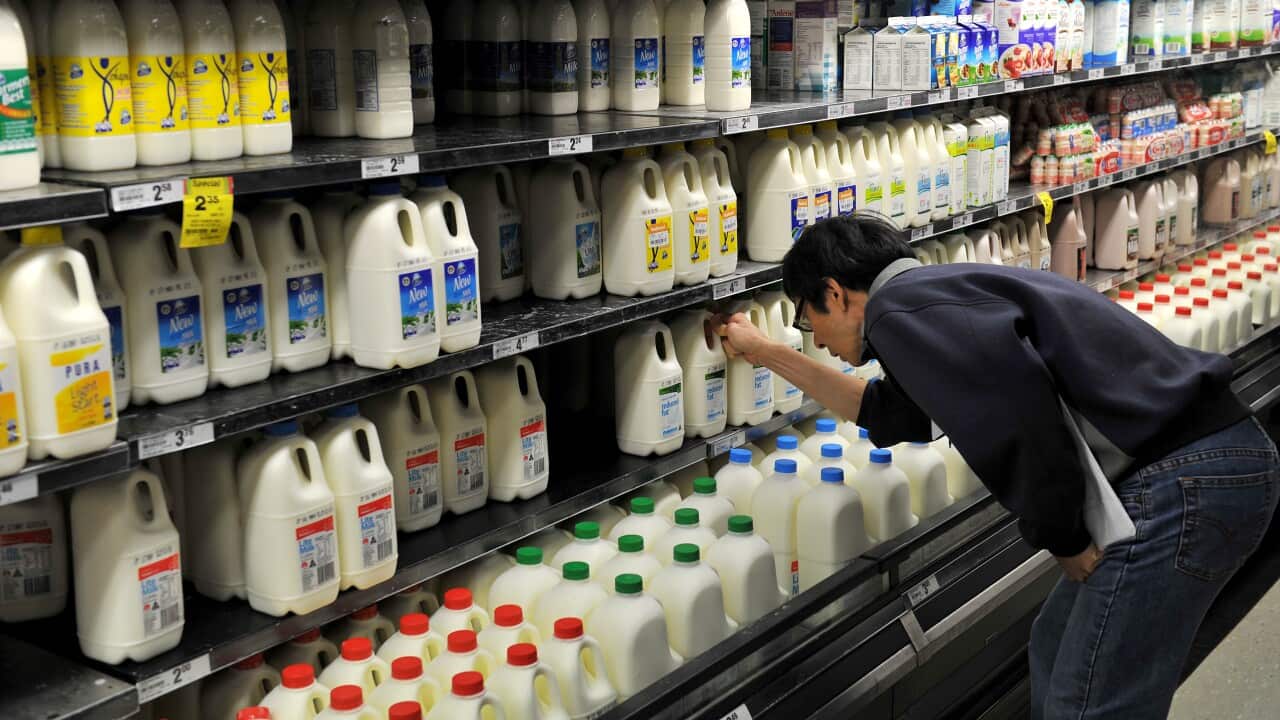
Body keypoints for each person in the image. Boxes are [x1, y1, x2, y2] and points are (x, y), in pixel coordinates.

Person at [714, 214, 1280, 720]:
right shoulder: (932, 296)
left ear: (834, 293)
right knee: (1056, 645)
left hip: (1185, 478)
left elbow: (1016, 414)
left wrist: (1065, 535)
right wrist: (764, 352)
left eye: (810, 322)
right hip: (1207, 462)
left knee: (1087, 705)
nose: (820, 342)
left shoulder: (898, 311)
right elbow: (887, 413)